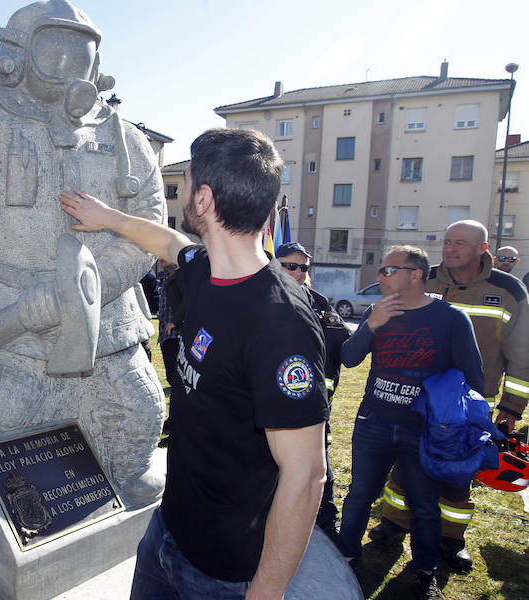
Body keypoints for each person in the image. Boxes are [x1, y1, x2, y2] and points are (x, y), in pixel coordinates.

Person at [0, 0, 166, 516]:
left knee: (139, 414)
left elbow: (150, 226)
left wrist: (93, 286)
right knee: (2, 413)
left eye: (83, 53)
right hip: (5, 321)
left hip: (109, 327)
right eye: (56, 50)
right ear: (18, 52)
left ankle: (112, 468)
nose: (71, 67)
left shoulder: (124, 137)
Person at [60, 127, 328, 599]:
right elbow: (165, 242)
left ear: (202, 199)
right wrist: (105, 217)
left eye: (184, 180)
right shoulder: (204, 268)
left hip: (223, 572)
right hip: (167, 531)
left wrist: (265, 593)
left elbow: (306, 474)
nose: (179, 190)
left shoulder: (281, 324)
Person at [368, 221, 529, 572]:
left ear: (482, 248)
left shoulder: (508, 291)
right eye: (447, 241)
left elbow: (521, 354)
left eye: (460, 243)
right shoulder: (422, 277)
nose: (450, 248)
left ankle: (451, 539)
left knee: (458, 474)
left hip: (469, 402)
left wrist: (511, 407)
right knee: (404, 468)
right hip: (416, 396)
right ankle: (393, 524)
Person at [337, 245, 484, 600]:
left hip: (423, 431)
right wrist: (371, 325)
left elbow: (473, 378)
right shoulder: (377, 311)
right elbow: (349, 358)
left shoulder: (450, 318)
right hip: (374, 421)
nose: (379, 276)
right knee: (359, 495)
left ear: (416, 274)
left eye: (388, 270)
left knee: (423, 504)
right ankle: (347, 558)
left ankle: (424, 573)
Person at [277, 241, 351, 539]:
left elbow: (341, 345)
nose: (297, 272)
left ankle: (325, 520)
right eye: (290, 265)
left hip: (311, 400)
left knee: (318, 460)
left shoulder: (319, 303)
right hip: (268, 402)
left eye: (303, 267)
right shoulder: (256, 299)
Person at [155, 257, 185, 390]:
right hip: (165, 332)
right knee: (170, 372)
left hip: (175, 332)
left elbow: (188, 299)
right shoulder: (165, 277)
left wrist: (175, 321)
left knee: (175, 372)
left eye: (165, 254)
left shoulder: (180, 275)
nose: (161, 257)